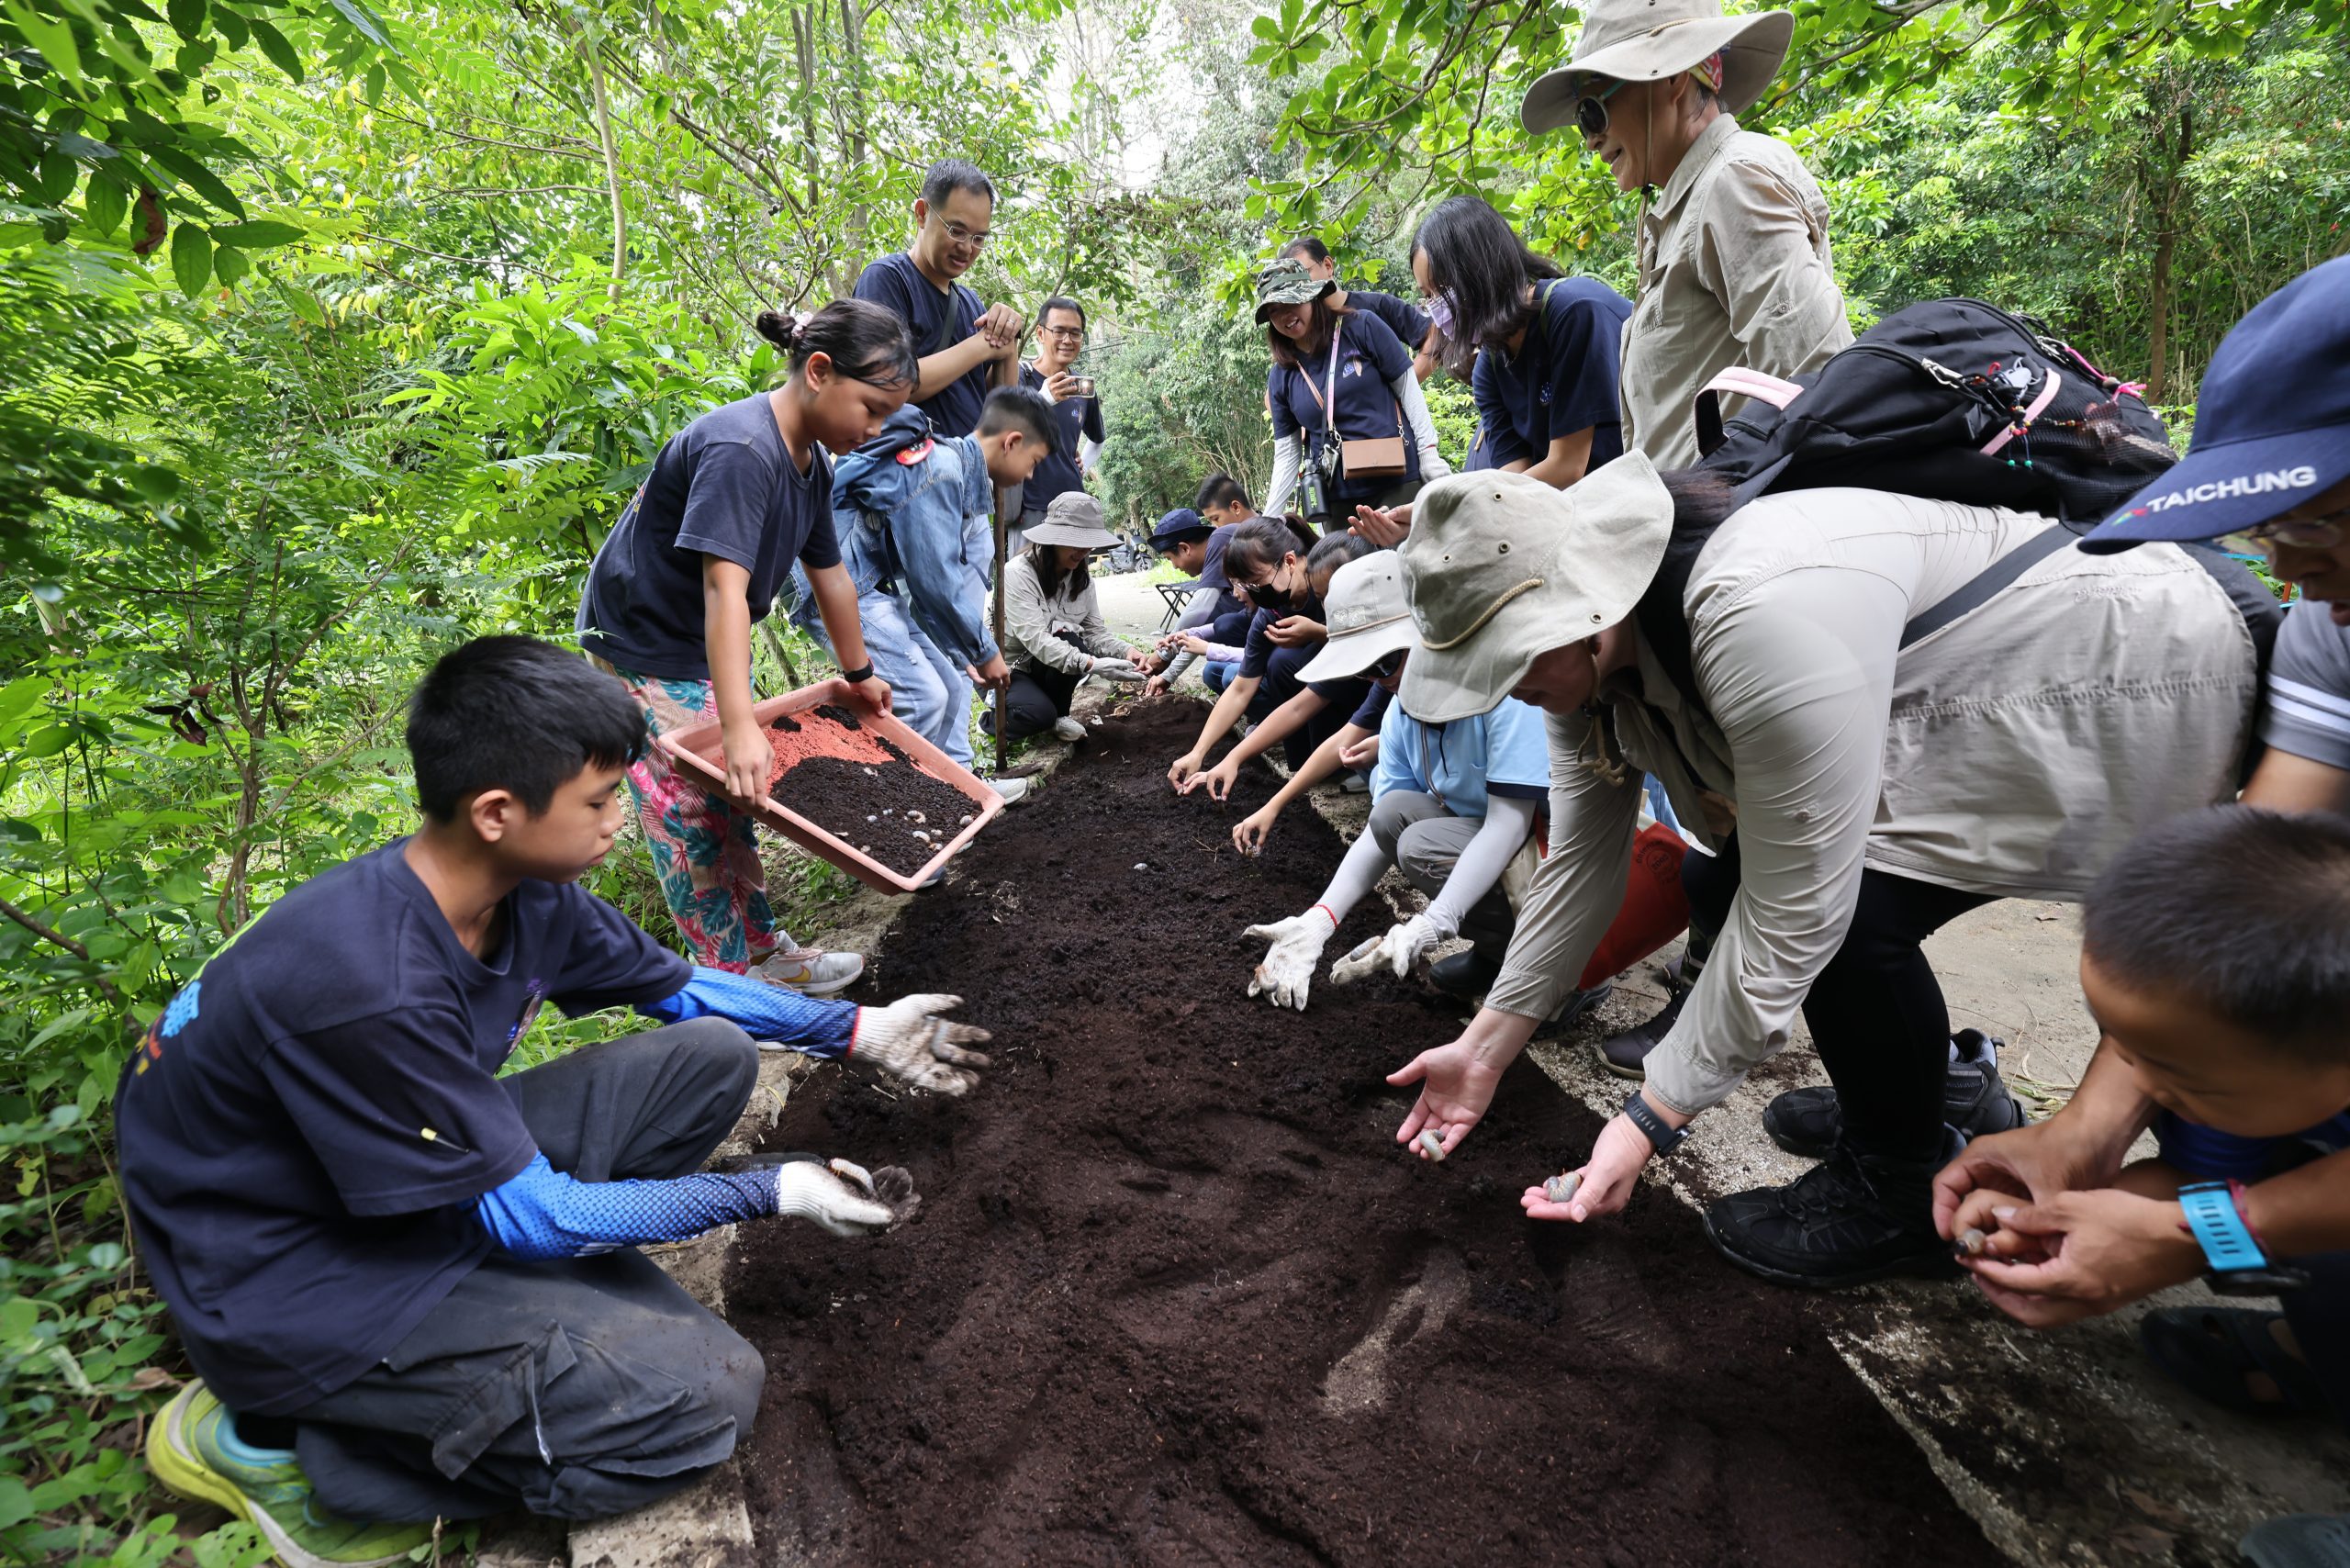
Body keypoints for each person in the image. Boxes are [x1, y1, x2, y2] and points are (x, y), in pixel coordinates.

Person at [127, 639, 992, 1555]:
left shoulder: (517, 893)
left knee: (707, 1054)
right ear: (497, 810)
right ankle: (314, 1464)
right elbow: (537, 1219)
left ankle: (519, 1325)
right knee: (706, 1395)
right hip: (283, 1271)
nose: (621, 817)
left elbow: (683, 988)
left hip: (364, 1184)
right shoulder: (367, 980)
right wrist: (774, 1189)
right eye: (599, 799)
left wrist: (857, 1032)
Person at [1381, 462, 2260, 1288]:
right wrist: (1486, 1049)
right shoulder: (1587, 669)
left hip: (2113, 668)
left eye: (1504, 663)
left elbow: (1799, 905)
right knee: (1733, 887)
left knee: (1845, 915)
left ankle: (1899, 1186)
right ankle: (1928, 1100)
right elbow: (1579, 861)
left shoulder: (1751, 606)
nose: (1496, 692)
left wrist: (1648, 1121)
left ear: (1583, 611)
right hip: (1958, 697)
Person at [1933, 259, 2350, 1568]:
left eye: (2324, 531)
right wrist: (2083, 1145)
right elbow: (2255, 894)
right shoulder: (2338, 618)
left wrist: (2185, 1236)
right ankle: (2317, 1335)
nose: (2292, 570)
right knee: (2255, 1080)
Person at [577, 300, 907, 991]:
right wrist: (736, 726)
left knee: (734, 791)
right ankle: (728, 985)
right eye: (872, 409)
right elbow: (723, 593)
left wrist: (860, 673)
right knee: (688, 802)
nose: (875, 430)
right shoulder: (742, 449)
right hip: (640, 639)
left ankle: (763, 952)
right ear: (819, 371)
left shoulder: (810, 462)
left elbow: (833, 578)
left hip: (692, 641)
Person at [1520, 0, 1850, 471]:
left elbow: (1820, 388)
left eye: (1592, 113)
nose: (1590, 139)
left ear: (1672, 78)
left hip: (1733, 532)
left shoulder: (1731, 184)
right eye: (1581, 124)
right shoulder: (1684, 207)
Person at [1240, 554, 1552, 1010]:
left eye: (1386, 661)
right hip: (1501, 845)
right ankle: (1498, 949)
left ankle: (1559, 971)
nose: (1378, 680)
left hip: (1562, 852)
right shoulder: (1404, 707)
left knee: (1421, 846)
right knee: (1393, 816)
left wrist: (1433, 924)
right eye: (1363, 670)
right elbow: (1381, 827)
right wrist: (1320, 920)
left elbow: (1508, 824)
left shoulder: (1504, 688)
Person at [811, 383, 1059, 784]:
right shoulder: (939, 471)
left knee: (951, 688)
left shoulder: (949, 468)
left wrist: (960, 651)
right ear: (1012, 442)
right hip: (836, 584)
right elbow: (933, 582)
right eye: (1034, 462)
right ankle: (897, 813)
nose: (1029, 475)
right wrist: (982, 649)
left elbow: (923, 590)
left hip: (871, 585)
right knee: (922, 699)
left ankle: (943, 796)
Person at [1408, 196, 1629, 493]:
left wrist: (1460, 505)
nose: (1436, 308)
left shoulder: (1573, 313)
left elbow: (1568, 466)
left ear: (1477, 271)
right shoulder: (1490, 366)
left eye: (1440, 290)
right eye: (1428, 296)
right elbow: (1515, 475)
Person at [1254, 257, 1449, 532]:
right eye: (1274, 311)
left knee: (1407, 567)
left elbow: (1408, 391)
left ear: (1310, 297)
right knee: (1348, 575)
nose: (1285, 315)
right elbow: (1287, 453)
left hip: (1396, 480)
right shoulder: (1281, 376)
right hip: (1336, 500)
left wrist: (1429, 453)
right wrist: (1269, 519)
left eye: (1291, 302)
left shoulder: (1361, 326)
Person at [1168, 524, 1371, 783]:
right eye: (1244, 585)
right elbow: (1242, 688)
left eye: (1256, 582)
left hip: (1364, 678)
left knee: (1284, 662)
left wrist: (1320, 632)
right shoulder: (1270, 611)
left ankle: (1345, 756)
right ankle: (1313, 756)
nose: (1252, 593)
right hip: (1323, 685)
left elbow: (1365, 635)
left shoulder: (1329, 579)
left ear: (1289, 562)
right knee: (1266, 666)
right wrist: (1198, 752)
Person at [854, 159, 1024, 439]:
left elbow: (1001, 407)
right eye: (956, 230)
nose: (967, 248)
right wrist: (981, 345)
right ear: (922, 213)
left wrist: (1007, 339)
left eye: (979, 238)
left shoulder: (971, 304)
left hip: (965, 475)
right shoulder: (886, 279)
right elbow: (888, 382)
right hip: (908, 475)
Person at [991, 492, 1150, 742]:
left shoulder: (1082, 581)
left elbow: (1095, 633)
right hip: (1010, 668)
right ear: (1054, 540)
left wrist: (1128, 652)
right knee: (1038, 714)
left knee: (1072, 641)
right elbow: (1036, 640)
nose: (1084, 551)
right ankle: (991, 722)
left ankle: (1058, 715)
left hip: (1045, 665)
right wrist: (1091, 664)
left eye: (1088, 543)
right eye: (1076, 542)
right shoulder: (1018, 575)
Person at [1282, 236, 1438, 383]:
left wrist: (1403, 389)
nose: (1298, 286)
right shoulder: (1302, 330)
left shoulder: (1375, 305)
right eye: (1291, 283)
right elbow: (1273, 395)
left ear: (1328, 266)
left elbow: (1434, 336)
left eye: (1302, 275)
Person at [1015, 296, 1106, 549]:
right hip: (1030, 507)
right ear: (1041, 334)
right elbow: (1004, 430)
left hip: (1073, 507)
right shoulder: (1022, 375)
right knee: (1027, 583)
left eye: (1075, 333)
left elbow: (1098, 439)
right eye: (1059, 331)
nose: (1067, 340)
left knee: (1073, 586)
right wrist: (1044, 398)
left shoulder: (1083, 386)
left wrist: (1082, 466)